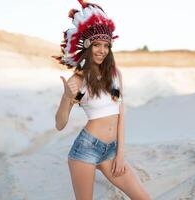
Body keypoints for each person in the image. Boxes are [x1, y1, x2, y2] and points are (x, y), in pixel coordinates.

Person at [54, 0, 152, 199]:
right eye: (97, 45)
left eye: (106, 45)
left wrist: (120, 154)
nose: (102, 50)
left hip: (111, 150)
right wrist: (66, 98)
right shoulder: (79, 80)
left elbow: (120, 115)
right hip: (86, 149)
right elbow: (59, 124)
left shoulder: (115, 74)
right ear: (87, 47)